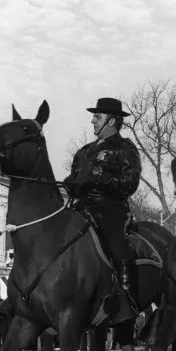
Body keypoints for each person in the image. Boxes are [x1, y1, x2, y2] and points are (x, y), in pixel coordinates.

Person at [64, 96, 142, 326]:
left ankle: (127, 300)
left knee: (117, 245)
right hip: (81, 208)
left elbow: (130, 184)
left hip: (111, 209)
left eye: (97, 117)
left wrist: (103, 177)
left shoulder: (125, 148)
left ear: (112, 121)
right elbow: (73, 178)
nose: (92, 121)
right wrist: (68, 184)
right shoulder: (84, 151)